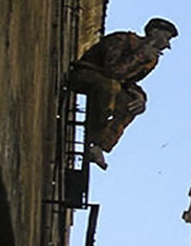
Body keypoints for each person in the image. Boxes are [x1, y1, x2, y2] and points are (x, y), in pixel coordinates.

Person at [71, 18, 178, 168]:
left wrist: (140, 97)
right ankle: (93, 132)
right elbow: (112, 71)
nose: (167, 45)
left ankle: (99, 146)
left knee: (130, 103)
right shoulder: (122, 40)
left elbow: (128, 82)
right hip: (85, 74)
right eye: (166, 38)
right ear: (154, 33)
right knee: (111, 87)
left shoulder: (151, 60)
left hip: (111, 83)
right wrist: (140, 56)